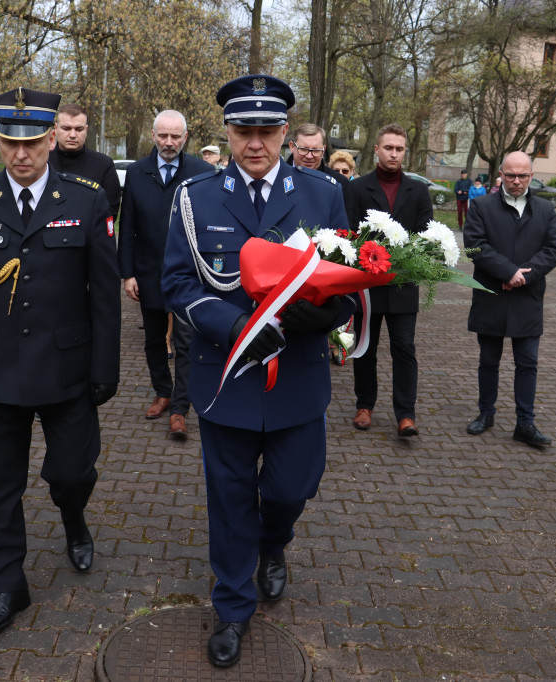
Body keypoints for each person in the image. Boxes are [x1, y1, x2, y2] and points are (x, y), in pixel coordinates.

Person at [162, 74, 356, 668]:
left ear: (283, 133)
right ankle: (232, 607)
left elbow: (350, 285)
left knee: (292, 488)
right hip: (226, 377)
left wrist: (313, 318)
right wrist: (234, 326)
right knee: (229, 499)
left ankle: (276, 544)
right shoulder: (195, 198)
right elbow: (176, 281)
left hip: (297, 376)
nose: (256, 143)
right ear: (228, 131)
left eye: (267, 130)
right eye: (244, 130)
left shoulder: (322, 193)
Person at [0, 86, 120, 633]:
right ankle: (9, 582)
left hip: (67, 371)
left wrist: (106, 369)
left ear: (49, 139)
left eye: (34, 142)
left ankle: (73, 517)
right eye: (10, 143)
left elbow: (104, 296)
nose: (22, 154)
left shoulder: (86, 199)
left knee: (71, 472)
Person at [118, 111, 213, 440]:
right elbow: (126, 224)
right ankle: (163, 392)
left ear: (186, 137)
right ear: (153, 136)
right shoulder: (136, 173)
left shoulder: (203, 173)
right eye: (163, 136)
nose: (168, 142)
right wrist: (127, 273)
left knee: (186, 342)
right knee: (154, 340)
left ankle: (180, 408)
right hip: (147, 272)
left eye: (175, 136)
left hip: (189, 274)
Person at [463, 151, 556, 447]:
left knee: (528, 363)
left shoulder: (545, 209)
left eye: (522, 175)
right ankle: (486, 413)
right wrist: (508, 273)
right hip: (492, 294)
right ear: (501, 175)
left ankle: (525, 423)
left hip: (527, 297)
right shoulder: (481, 206)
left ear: (532, 176)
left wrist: (524, 276)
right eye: (510, 175)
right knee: (488, 360)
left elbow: (553, 248)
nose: (516, 181)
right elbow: (475, 246)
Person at [345, 124, 433, 437]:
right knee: (366, 347)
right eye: (388, 148)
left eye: (399, 149)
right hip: (367, 287)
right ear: (377, 150)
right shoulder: (357, 189)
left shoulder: (418, 190)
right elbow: (351, 235)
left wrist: (411, 260)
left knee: (404, 349)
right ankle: (364, 405)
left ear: (404, 152)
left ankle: (405, 414)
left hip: (403, 285)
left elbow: (425, 235)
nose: (393, 153)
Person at [49, 103, 122, 218]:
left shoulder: (103, 165)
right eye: (66, 128)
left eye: (79, 129)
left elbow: (109, 211)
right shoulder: (42, 162)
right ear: (56, 128)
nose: (72, 135)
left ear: (86, 130)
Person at [286, 122, 348, 187]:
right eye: (304, 149)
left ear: (323, 150)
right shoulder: (276, 177)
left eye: (316, 150)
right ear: (292, 147)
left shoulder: (339, 184)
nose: (309, 156)